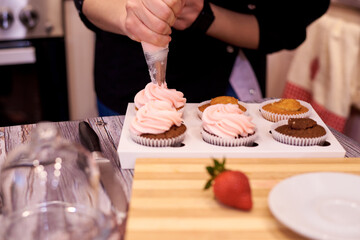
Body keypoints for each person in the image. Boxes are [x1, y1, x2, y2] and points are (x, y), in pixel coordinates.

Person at [73, 0, 330, 116]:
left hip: (227, 88)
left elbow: (287, 24)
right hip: (128, 87)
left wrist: (205, 15)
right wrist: (130, 18)